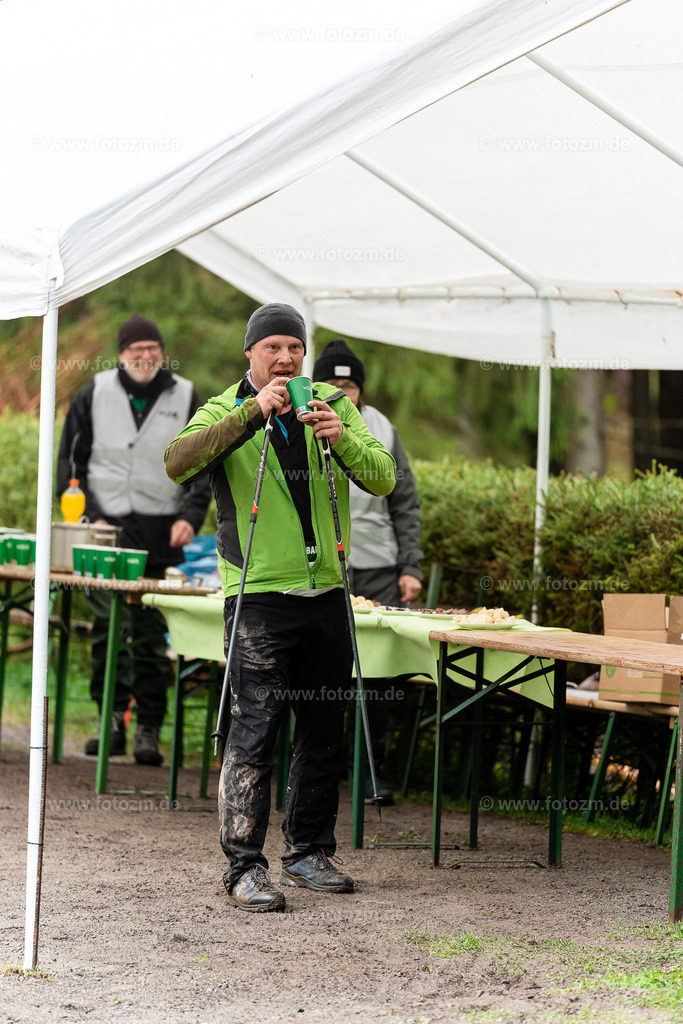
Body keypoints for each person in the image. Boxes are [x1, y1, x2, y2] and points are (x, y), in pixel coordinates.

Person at [164, 303, 396, 912]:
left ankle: (308, 853)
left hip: (328, 592)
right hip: (258, 594)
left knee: (323, 731)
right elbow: (177, 461)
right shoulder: (226, 406)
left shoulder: (330, 403)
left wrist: (342, 438)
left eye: (294, 347)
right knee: (254, 732)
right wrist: (250, 413)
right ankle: (243, 867)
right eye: (273, 348)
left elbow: (384, 477)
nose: (285, 358)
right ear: (251, 354)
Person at [57, 314, 211, 766]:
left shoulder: (185, 395)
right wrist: (84, 514)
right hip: (104, 533)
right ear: (121, 355)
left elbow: (204, 463)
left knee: (147, 634)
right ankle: (110, 720)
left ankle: (148, 727)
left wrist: (191, 516)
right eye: (134, 349)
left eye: (151, 348)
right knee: (108, 630)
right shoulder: (93, 392)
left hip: (162, 534)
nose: (144, 356)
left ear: (161, 353)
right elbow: (70, 459)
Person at [313, 339, 423, 805]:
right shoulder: (302, 419)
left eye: (350, 385)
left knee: (375, 677)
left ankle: (371, 774)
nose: (343, 392)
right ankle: (321, 771)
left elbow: (405, 503)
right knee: (322, 673)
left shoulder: (381, 428)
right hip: (324, 567)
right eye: (334, 383)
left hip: (377, 569)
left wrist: (410, 566)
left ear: (360, 390)